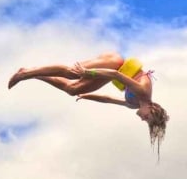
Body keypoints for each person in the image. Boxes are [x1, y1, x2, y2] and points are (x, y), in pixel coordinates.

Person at [9, 53, 168, 153]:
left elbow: (108, 99)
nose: (142, 119)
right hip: (113, 63)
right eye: (147, 118)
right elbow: (116, 75)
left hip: (111, 73)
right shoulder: (143, 92)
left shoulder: (134, 104)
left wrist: (87, 96)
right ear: (152, 109)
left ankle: (33, 75)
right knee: (73, 73)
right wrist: (87, 73)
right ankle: (26, 73)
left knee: (72, 89)